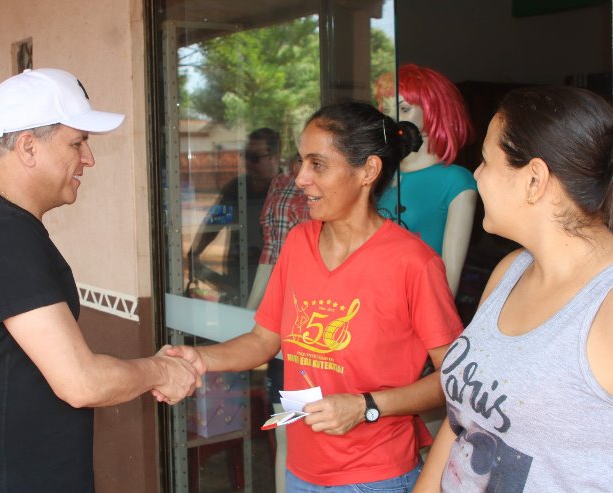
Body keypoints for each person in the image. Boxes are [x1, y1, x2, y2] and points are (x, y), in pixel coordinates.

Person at [164, 102, 465, 491]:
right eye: (301, 162)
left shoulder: (413, 263)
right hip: (301, 472)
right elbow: (263, 340)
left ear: (368, 171)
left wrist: (366, 406)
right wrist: (199, 359)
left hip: (375, 476)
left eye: (317, 164)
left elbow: (454, 380)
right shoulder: (298, 243)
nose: (300, 178)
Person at [0, 68, 199, 492]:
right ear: (28, 146)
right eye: (77, 142)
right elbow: (81, 382)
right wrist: (160, 372)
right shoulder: (0, 232)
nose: (88, 158)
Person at [413, 86, 613, 492]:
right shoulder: (509, 272)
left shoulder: (604, 306)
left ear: (534, 180)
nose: (477, 174)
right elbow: (463, 423)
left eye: (485, 161)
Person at [374, 64, 477, 295]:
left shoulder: (455, 182)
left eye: (404, 108)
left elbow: (449, 279)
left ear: (432, 111)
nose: (393, 119)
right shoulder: (378, 174)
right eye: (388, 110)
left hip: (417, 307)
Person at [246, 153, 309, 493]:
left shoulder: (335, 195)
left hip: (320, 336)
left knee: (318, 434)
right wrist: (251, 310)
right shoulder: (283, 186)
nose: (303, 172)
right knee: (288, 432)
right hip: (285, 340)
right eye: (300, 158)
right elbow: (272, 250)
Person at [188, 128, 281, 306]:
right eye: (246, 156)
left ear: (275, 157)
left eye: (255, 158)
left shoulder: (290, 191)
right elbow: (214, 223)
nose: (248, 163)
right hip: (237, 275)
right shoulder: (237, 188)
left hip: (275, 280)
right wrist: (195, 253)